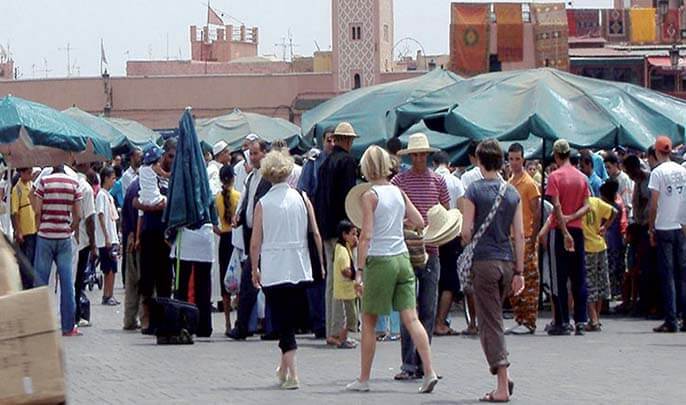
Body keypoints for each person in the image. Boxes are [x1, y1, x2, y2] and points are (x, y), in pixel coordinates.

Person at [345, 145, 438, 394]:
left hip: (380, 259)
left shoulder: (370, 196)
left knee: (369, 321)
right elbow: (419, 221)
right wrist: (398, 222)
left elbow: (366, 236)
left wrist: (360, 270)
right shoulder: (398, 191)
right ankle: (429, 371)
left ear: (366, 168)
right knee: (411, 318)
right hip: (403, 258)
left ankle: (364, 379)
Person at [250, 150, 324, 390]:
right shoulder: (302, 198)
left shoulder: (263, 203)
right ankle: (284, 369)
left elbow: (255, 241)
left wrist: (254, 267)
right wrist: (320, 263)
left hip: (274, 267)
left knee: (282, 320)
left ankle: (292, 373)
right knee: (290, 319)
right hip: (300, 265)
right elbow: (315, 233)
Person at [461, 140, 524, 402]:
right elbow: (519, 234)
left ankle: (501, 384)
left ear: (478, 160)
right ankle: (503, 377)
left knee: (491, 322)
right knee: (492, 319)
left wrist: (468, 238)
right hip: (507, 262)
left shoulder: (473, 191)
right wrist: (519, 271)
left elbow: (465, 232)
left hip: (484, 262)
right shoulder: (512, 192)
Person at [391, 133, 449, 381]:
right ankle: (408, 363)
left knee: (427, 308)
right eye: (415, 154)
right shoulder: (398, 181)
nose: (419, 158)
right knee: (407, 309)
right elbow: (390, 214)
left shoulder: (439, 182)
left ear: (427, 155)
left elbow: (446, 214)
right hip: (405, 250)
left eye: (422, 154)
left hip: (432, 249)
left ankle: (423, 362)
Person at [314, 122, 358, 346]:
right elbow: (349, 199)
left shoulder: (324, 163)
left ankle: (331, 330)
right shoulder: (348, 162)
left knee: (332, 280)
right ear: (348, 140)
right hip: (341, 229)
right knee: (343, 278)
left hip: (326, 228)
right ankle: (340, 332)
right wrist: (350, 231)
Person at [227, 139, 272, 340]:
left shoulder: (269, 178)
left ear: (265, 154)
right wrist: (239, 216)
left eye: (256, 153)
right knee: (252, 283)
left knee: (254, 282)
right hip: (250, 237)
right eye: (251, 154)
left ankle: (249, 326)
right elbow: (246, 200)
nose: (252, 157)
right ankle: (246, 326)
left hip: (264, 239)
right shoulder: (251, 177)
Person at [545, 139, 591, 336]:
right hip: (578, 230)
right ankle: (581, 319)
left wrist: (564, 230)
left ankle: (562, 320)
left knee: (559, 278)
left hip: (559, 231)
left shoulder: (554, 177)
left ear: (556, 155)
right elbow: (587, 205)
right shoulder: (581, 178)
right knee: (578, 276)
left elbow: (556, 206)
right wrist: (572, 218)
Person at [33, 164, 82, 336]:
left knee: (40, 281)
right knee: (67, 283)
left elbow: (37, 210)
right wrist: (72, 227)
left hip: (45, 236)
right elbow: (79, 214)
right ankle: (68, 327)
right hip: (64, 237)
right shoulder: (74, 182)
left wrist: (40, 227)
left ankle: (39, 325)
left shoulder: (44, 181)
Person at [137, 139, 176, 333]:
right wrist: (151, 205)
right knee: (147, 278)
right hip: (150, 233)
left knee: (165, 278)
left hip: (166, 235)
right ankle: (147, 320)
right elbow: (136, 202)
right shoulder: (145, 175)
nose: (165, 160)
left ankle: (162, 319)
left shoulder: (172, 179)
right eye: (166, 156)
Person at [648, 136, 686, 333]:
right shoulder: (682, 170)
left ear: (656, 152)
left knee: (668, 275)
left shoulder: (657, 173)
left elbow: (654, 203)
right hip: (681, 226)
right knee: (682, 274)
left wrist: (651, 226)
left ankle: (671, 319)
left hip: (664, 226)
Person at [505, 143, 541, 335]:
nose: (514, 163)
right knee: (513, 280)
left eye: (517, 159)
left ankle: (529, 321)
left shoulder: (529, 184)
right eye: (511, 159)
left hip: (525, 236)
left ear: (523, 160)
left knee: (529, 280)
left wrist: (533, 238)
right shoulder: (509, 183)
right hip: (511, 237)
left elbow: (537, 213)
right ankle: (519, 317)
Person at [431, 151, 465, 336]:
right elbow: (461, 209)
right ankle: (440, 322)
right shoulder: (456, 182)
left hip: (433, 234)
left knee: (433, 278)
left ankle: (431, 319)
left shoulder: (431, 179)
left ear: (435, 163)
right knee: (450, 281)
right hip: (452, 235)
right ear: (449, 163)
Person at [581, 182, 617, 331]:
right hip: (600, 245)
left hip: (587, 247)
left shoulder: (578, 206)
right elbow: (614, 211)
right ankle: (596, 318)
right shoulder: (596, 202)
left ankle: (593, 318)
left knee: (589, 284)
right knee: (600, 283)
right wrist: (605, 226)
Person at [622, 154, 654, 316]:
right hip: (640, 225)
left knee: (646, 268)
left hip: (649, 225)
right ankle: (639, 302)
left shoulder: (648, 179)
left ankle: (648, 303)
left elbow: (651, 203)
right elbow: (636, 203)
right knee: (637, 267)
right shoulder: (638, 182)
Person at [458, 140, 484, 336]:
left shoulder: (467, 178)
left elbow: (465, 207)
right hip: (492, 236)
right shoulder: (499, 178)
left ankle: (474, 322)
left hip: (473, 235)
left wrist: (464, 234)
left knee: (470, 281)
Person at [215, 164, 240, 335]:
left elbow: (213, 222)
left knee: (225, 278)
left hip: (223, 238)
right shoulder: (238, 196)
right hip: (235, 238)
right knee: (237, 277)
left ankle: (227, 322)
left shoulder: (217, 198)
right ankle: (239, 318)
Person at [73, 165, 98, 327]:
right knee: (78, 281)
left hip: (66, 238)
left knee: (69, 281)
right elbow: (90, 219)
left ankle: (70, 314)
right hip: (82, 242)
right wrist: (94, 243)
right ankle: (75, 316)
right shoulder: (86, 189)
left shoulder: (70, 182)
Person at [332, 220, 359, 349]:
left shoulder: (343, 247)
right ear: (344, 235)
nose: (355, 237)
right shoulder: (342, 251)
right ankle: (342, 339)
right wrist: (355, 276)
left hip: (347, 291)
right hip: (345, 291)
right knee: (349, 317)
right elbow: (345, 270)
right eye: (353, 234)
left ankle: (345, 337)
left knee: (350, 316)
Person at [95, 167, 120, 306]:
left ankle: (110, 294)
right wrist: (106, 237)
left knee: (113, 268)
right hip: (106, 240)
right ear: (105, 178)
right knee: (108, 269)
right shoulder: (101, 196)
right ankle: (107, 295)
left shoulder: (109, 196)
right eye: (112, 178)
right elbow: (100, 215)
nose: (114, 181)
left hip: (112, 237)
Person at [122, 176, 142, 330]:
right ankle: (144, 317)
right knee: (144, 281)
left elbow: (125, 218)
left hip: (129, 239)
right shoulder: (142, 189)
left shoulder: (131, 188)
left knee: (131, 282)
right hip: (140, 240)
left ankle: (129, 319)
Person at [10, 168, 37, 266]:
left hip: (34, 228)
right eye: (28, 173)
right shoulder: (17, 189)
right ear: (21, 173)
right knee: (27, 258)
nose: (30, 175)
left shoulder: (31, 185)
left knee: (33, 258)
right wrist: (19, 231)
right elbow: (15, 212)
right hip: (25, 230)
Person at [298, 128, 335, 196]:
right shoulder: (313, 161)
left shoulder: (342, 163)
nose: (332, 144)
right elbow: (303, 189)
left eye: (335, 141)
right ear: (323, 141)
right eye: (329, 141)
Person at [604, 151, 634, 219]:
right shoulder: (609, 179)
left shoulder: (624, 179)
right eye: (605, 167)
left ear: (615, 165)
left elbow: (627, 203)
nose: (607, 170)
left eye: (609, 167)